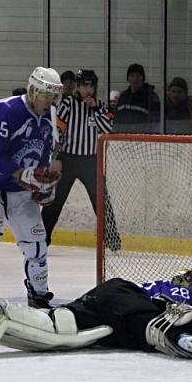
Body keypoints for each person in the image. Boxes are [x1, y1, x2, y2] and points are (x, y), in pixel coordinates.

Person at [0, 66, 64, 328]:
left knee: (37, 244)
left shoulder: (48, 118)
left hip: (19, 188)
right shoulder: (5, 109)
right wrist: (24, 175)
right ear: (32, 90)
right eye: (47, 97)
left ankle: (39, 298)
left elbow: (43, 159)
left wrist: (43, 185)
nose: (51, 103)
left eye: (54, 98)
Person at [0, 270, 192, 359]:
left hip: (111, 298)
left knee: (61, 328)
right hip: (123, 302)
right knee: (157, 328)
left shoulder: (170, 287)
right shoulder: (184, 294)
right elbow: (175, 312)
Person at [41, 69, 121, 250]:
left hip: (91, 161)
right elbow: (58, 131)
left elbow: (106, 128)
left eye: (91, 85)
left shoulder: (100, 106)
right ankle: (40, 239)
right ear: (77, 86)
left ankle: (112, 241)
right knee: (55, 202)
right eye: (84, 85)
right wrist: (54, 157)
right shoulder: (68, 103)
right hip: (67, 159)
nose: (88, 89)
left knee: (102, 202)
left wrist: (93, 108)